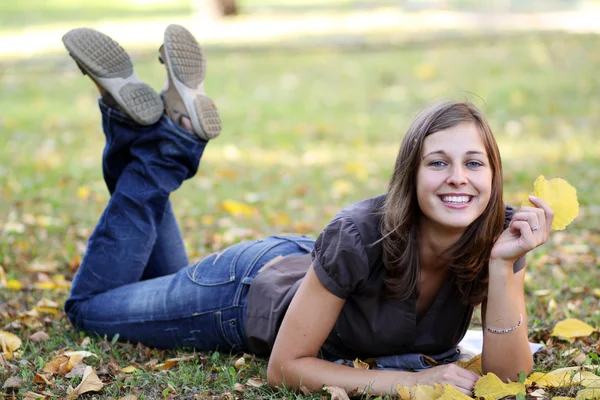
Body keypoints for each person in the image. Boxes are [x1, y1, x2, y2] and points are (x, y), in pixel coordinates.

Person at [62, 24, 554, 397]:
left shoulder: (498, 237)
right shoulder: (361, 234)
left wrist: (502, 265)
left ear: (494, 176)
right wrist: (411, 382)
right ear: (410, 174)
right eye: (438, 163)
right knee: (90, 309)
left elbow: (508, 377)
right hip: (246, 291)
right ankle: (170, 146)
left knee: (153, 282)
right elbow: (285, 367)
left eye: (474, 163)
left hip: (313, 268)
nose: (458, 179)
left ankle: (142, 128)